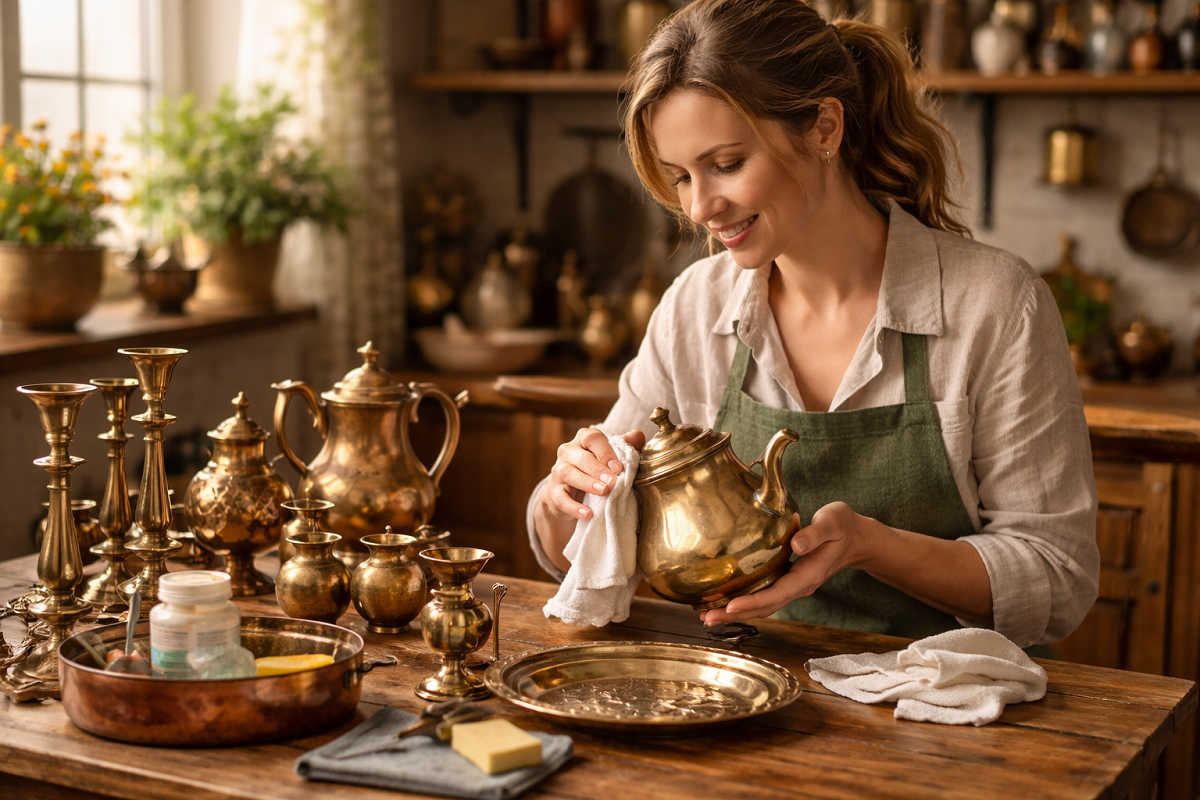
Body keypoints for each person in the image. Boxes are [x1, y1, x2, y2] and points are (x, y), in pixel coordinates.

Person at [528, 0, 1099, 649]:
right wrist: (564, 500)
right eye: (681, 176)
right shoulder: (696, 307)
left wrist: (870, 546)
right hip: (744, 691)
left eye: (727, 164)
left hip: (952, 706)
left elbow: (1059, 577)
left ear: (824, 127)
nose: (699, 207)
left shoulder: (995, 305)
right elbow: (585, 548)